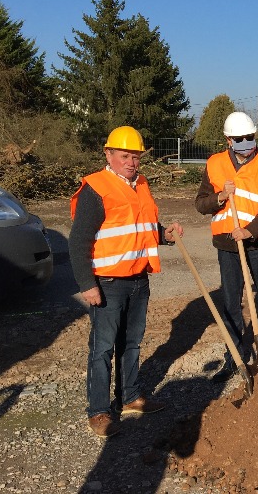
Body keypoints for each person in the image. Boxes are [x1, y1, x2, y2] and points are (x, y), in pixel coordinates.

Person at [69, 126, 183, 438]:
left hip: (138, 279)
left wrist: (164, 235)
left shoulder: (141, 184)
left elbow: (141, 227)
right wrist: (87, 284)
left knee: (132, 343)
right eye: (125, 156)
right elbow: (78, 241)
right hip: (107, 283)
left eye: (136, 157)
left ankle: (130, 397)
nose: (131, 162)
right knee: (102, 348)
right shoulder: (97, 188)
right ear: (109, 155)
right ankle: (98, 411)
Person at [195, 111, 258, 383]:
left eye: (250, 137)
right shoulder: (214, 164)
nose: (246, 143)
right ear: (228, 140)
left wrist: (250, 230)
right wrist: (220, 197)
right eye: (239, 139)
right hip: (227, 245)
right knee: (231, 304)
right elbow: (201, 204)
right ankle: (235, 359)